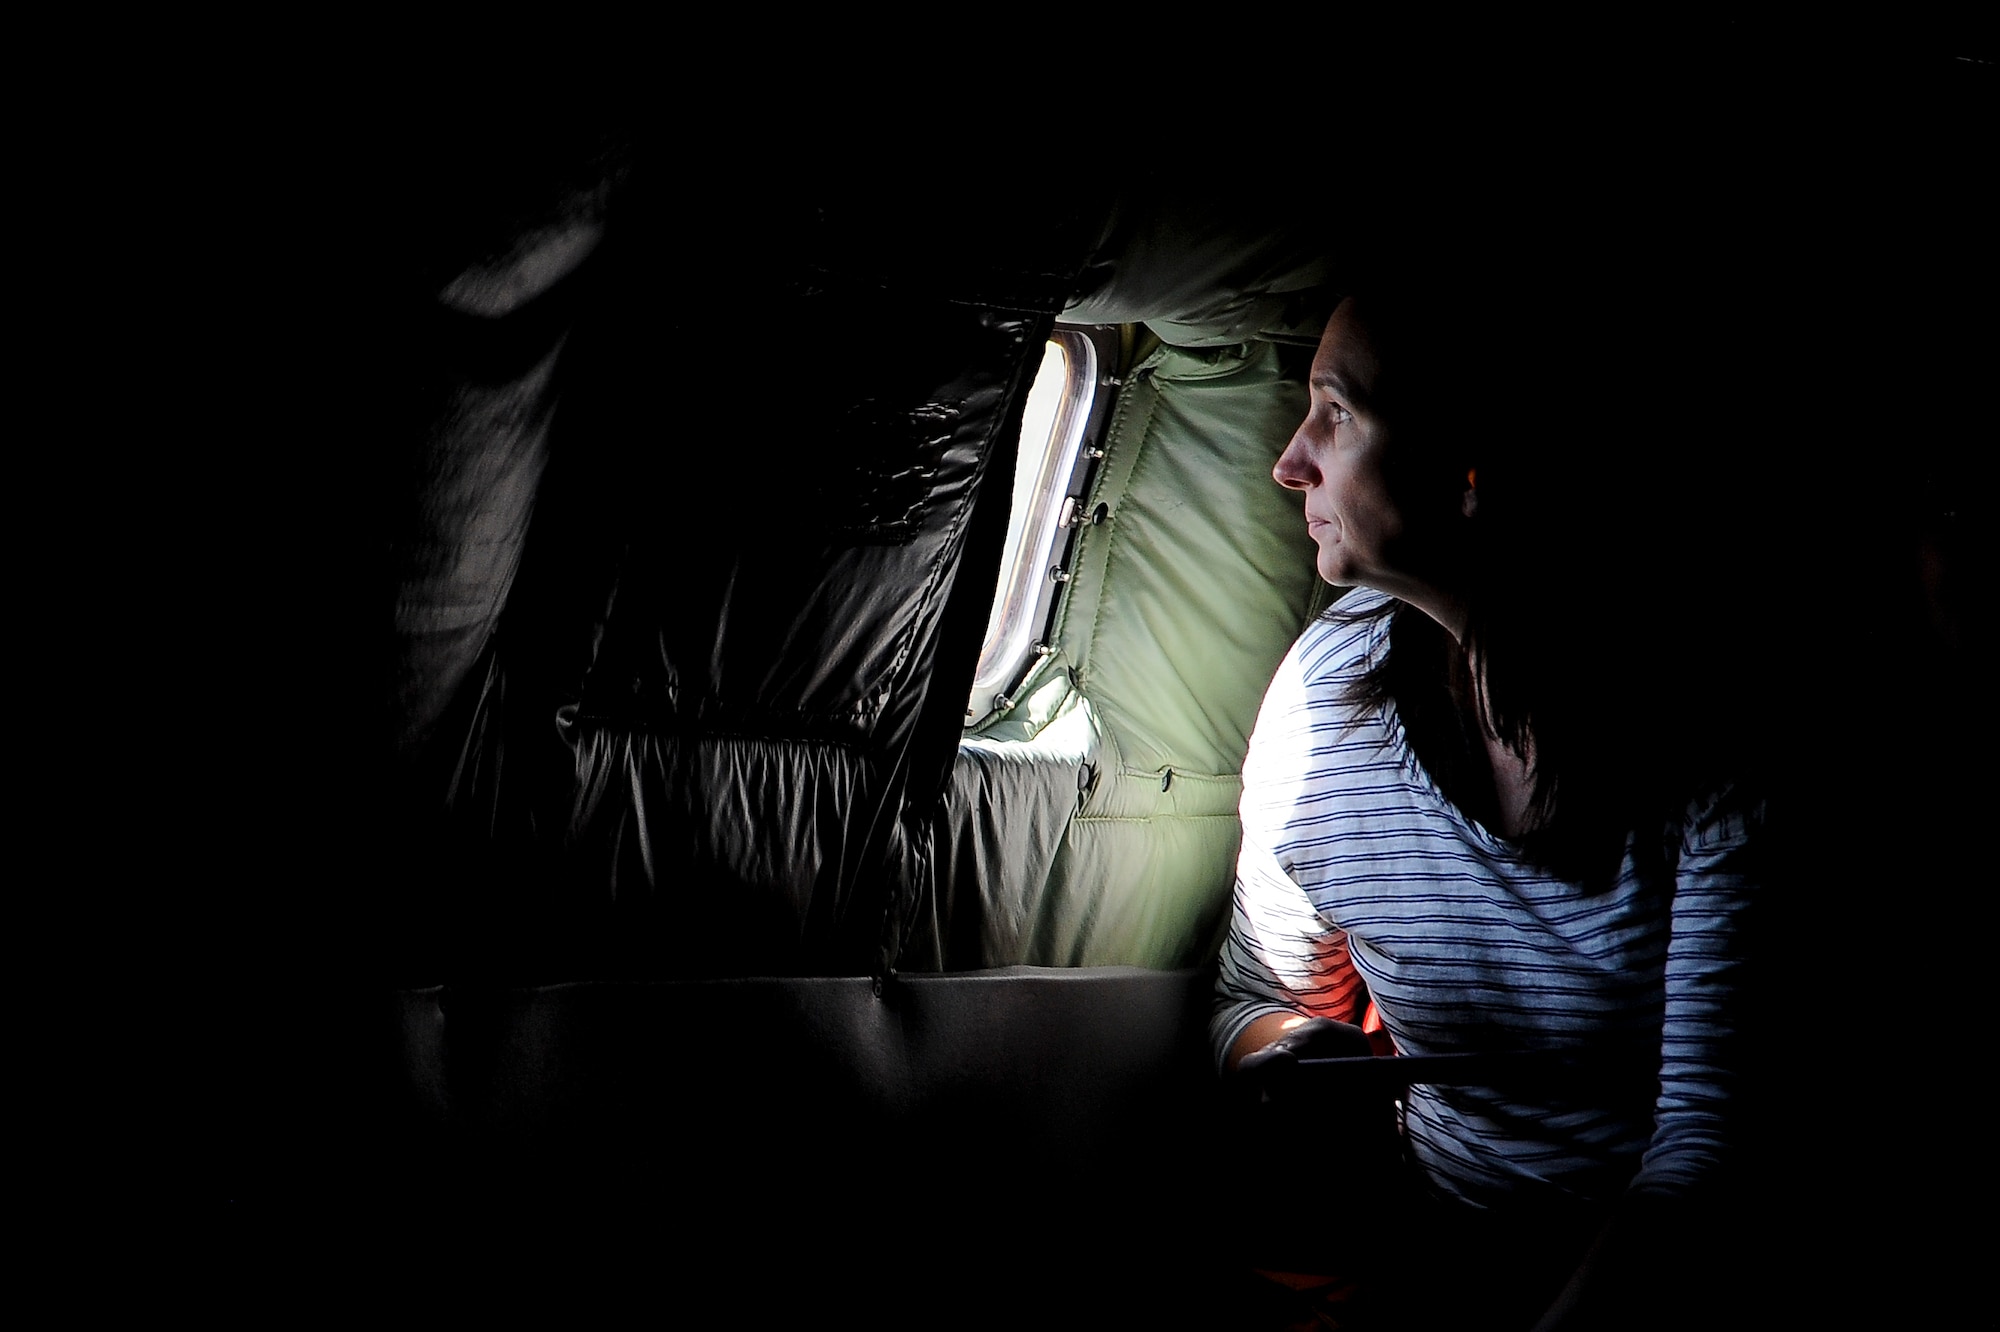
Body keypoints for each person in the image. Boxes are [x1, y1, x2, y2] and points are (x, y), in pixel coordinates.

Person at [1211, 282, 1771, 1331]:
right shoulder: (1320, 705)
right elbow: (1255, 996)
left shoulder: (1712, 739)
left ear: (1469, 471)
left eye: (1335, 414)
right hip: (1423, 1255)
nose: (1290, 462)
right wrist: (1292, 1048)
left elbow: (1711, 1147)